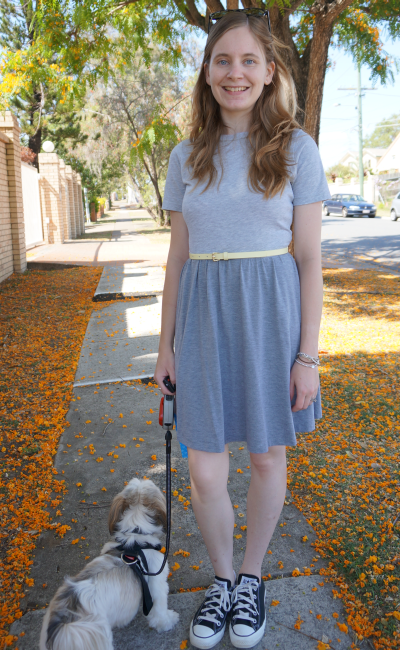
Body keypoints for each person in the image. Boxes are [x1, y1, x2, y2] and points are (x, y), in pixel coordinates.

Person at [154, 9, 330, 649]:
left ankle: (251, 576)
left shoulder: (295, 149)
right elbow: (176, 259)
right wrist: (164, 344)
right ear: (206, 73)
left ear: (269, 70)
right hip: (202, 317)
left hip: (271, 318)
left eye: (248, 60)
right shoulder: (184, 156)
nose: (235, 72)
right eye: (222, 61)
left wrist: (306, 357)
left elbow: (310, 261)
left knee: (263, 455)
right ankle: (222, 580)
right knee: (204, 470)